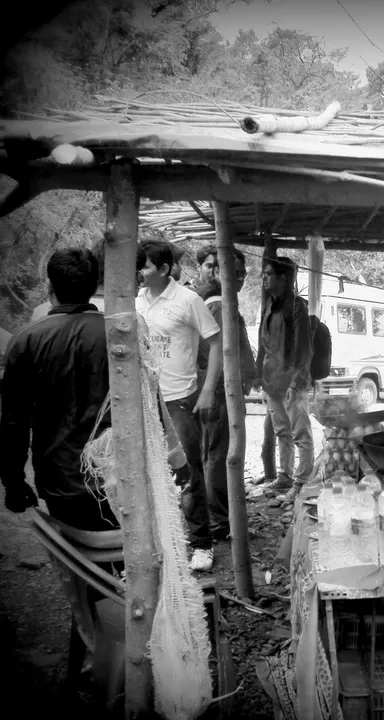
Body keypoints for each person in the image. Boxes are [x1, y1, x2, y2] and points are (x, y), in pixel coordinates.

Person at [1, 248, 121, 530]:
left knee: (77, 563)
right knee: (124, 559)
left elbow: (13, 421)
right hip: (118, 473)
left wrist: (14, 482)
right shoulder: (119, 335)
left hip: (59, 479)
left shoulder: (26, 340)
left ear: (49, 287)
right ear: (94, 287)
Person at [136, 239, 222, 572]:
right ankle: (164, 542)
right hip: (145, 401)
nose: (140, 272)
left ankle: (202, 544)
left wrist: (208, 390)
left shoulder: (188, 300)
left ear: (164, 268)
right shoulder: (136, 301)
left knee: (188, 474)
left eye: (144, 266)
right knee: (150, 473)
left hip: (180, 400)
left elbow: (216, 343)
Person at [194, 244, 257, 540]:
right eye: (235, 272)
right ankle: (220, 522)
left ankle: (218, 516)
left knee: (214, 454)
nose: (240, 278)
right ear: (218, 273)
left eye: (243, 273)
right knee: (219, 457)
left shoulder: (216, 302)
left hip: (219, 388)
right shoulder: (218, 305)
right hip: (220, 390)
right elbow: (221, 353)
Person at [256, 256, 314, 503]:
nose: (264, 278)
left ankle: (302, 483)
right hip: (272, 380)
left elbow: (304, 349)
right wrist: (260, 376)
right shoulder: (269, 304)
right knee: (282, 432)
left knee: (300, 433)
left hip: (292, 382)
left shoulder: (297, 307)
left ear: (283, 278)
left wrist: (294, 382)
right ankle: (285, 477)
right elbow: (264, 342)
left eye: (269, 274)